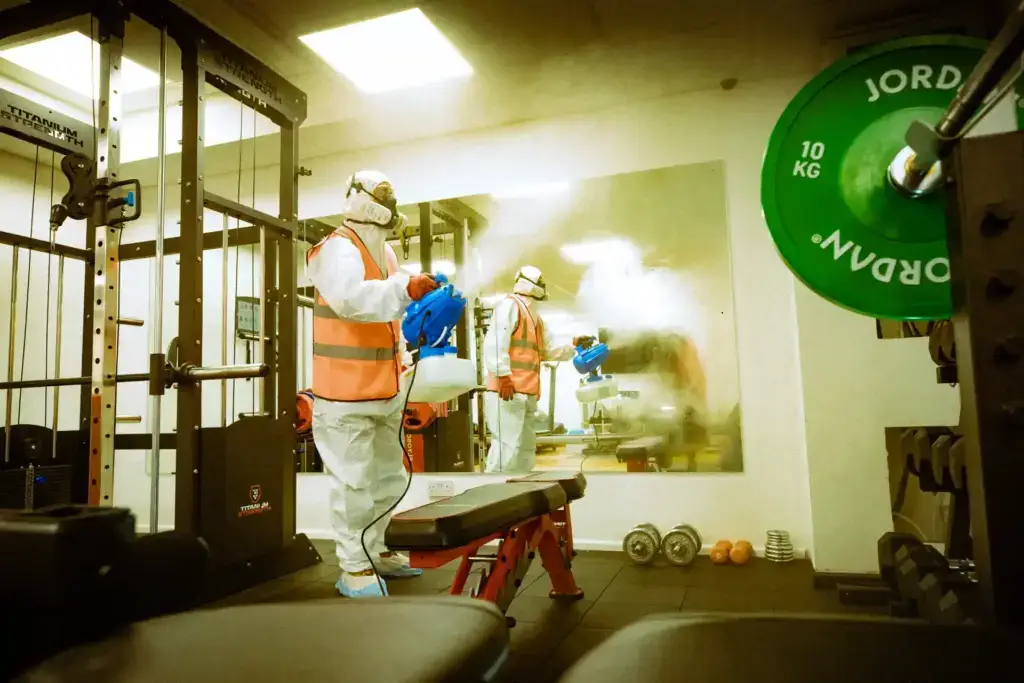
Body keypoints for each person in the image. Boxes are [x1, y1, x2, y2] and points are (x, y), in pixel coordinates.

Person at [306, 170, 440, 599]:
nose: (390, 201)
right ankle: (354, 566)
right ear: (359, 198)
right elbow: (352, 300)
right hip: (343, 395)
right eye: (383, 194)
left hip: (384, 391)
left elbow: (391, 324)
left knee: (386, 477)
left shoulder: (388, 254)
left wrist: (409, 353)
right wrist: (405, 290)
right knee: (354, 483)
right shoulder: (336, 248)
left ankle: (376, 550)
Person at [482, 266, 583, 473]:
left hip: (526, 394)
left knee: (525, 450)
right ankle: (494, 495)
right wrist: (503, 376)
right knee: (506, 450)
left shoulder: (534, 317)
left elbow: (548, 350)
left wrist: (573, 345)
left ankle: (520, 494)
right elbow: (495, 343)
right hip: (507, 392)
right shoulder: (508, 306)